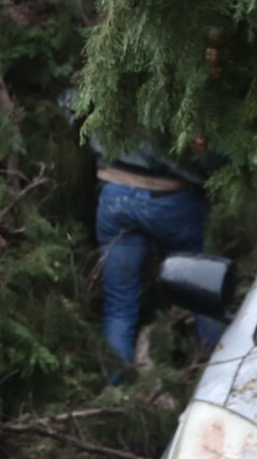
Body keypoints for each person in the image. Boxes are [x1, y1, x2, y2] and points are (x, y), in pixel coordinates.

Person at [96, 137, 224, 370]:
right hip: (171, 198)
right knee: (202, 291)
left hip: (116, 195)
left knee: (119, 305)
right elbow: (211, 156)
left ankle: (117, 389)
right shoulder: (183, 104)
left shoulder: (112, 100)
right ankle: (218, 373)